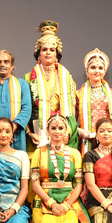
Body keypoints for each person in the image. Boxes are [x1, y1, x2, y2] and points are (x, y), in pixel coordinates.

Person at [29, 114, 95, 223]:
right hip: (46, 200)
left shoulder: (74, 153)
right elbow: (35, 185)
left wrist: (66, 205)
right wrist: (52, 204)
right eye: (53, 128)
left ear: (66, 131)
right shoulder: (39, 152)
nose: (57, 131)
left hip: (69, 199)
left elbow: (79, 185)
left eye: (61, 128)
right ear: (47, 131)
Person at [25, 21, 78, 151]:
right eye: (44, 49)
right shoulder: (28, 78)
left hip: (61, 130)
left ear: (57, 54)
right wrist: (29, 133)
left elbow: (71, 108)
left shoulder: (66, 77)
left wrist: (68, 132)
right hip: (37, 131)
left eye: (52, 50)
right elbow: (25, 108)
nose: (48, 52)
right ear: (39, 54)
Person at [0, 49, 32, 152]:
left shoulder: (22, 85)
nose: (2, 64)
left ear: (12, 66)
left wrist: (10, 130)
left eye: (6, 62)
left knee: (16, 166)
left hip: (16, 137)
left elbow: (26, 109)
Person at [77, 49, 112, 155]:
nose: (96, 71)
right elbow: (72, 120)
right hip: (86, 139)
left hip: (107, 138)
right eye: (93, 67)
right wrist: (80, 132)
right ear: (87, 71)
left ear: (105, 71)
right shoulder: (78, 94)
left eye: (100, 68)